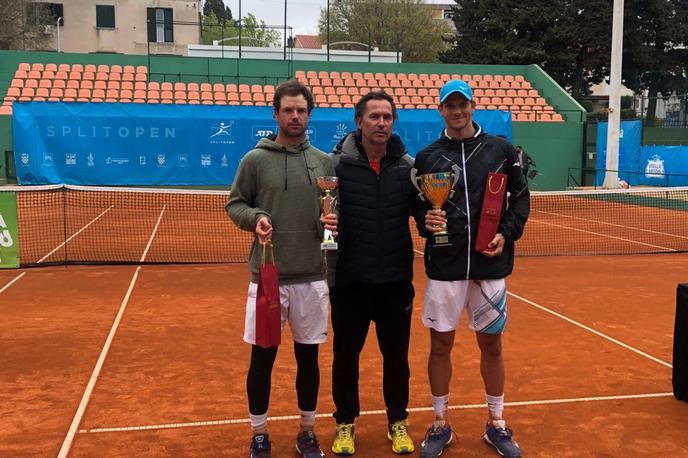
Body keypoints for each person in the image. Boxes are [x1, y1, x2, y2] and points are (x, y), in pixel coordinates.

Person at [412, 80, 529, 458]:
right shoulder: (428, 157)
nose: (457, 111)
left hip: (489, 265)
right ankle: (440, 423)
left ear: (472, 106)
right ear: (441, 110)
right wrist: (424, 221)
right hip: (444, 268)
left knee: (491, 344)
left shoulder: (500, 149)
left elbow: (520, 199)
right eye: (450, 105)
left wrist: (506, 235)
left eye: (462, 104)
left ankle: (496, 423)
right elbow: (418, 209)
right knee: (440, 345)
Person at [226, 80, 334, 458]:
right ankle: (259, 433)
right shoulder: (254, 160)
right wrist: (254, 218)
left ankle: (307, 431)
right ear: (275, 114)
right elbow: (235, 204)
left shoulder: (324, 162)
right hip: (269, 279)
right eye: (288, 110)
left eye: (301, 110)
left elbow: (334, 213)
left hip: (312, 278)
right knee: (262, 360)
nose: (295, 116)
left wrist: (333, 223)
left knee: (309, 361)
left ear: (309, 114)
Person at [326, 91, 417, 456]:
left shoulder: (408, 167)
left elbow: (424, 218)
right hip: (350, 281)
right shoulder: (335, 166)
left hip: (395, 282)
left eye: (387, 117)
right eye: (374, 117)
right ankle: (345, 424)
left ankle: (398, 422)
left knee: (397, 359)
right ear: (359, 121)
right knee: (345, 358)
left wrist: (432, 220)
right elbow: (323, 222)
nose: (381, 123)